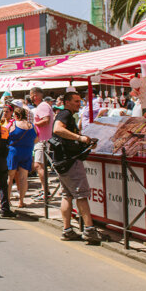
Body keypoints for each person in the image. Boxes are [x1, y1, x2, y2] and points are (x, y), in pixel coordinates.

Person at [51, 92, 102, 244]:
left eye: (80, 101)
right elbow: (57, 129)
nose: (79, 104)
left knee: (67, 195)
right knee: (81, 195)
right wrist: (79, 138)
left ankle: (67, 230)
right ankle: (89, 230)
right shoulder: (65, 114)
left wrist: (84, 141)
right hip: (70, 162)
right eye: (76, 101)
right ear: (67, 102)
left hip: (63, 162)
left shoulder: (67, 115)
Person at [7, 106, 36, 208]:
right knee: (24, 177)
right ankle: (21, 201)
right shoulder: (32, 126)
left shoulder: (13, 124)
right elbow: (36, 138)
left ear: (16, 115)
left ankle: (8, 200)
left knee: (10, 177)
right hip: (27, 152)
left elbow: (6, 134)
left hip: (14, 151)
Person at [30, 87, 54, 201]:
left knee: (38, 165)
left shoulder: (43, 106)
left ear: (35, 95)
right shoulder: (42, 106)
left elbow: (46, 120)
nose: (30, 97)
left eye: (31, 95)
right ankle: (45, 190)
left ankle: (46, 192)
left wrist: (33, 125)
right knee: (40, 166)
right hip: (41, 140)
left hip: (43, 141)